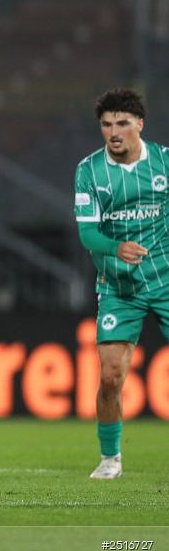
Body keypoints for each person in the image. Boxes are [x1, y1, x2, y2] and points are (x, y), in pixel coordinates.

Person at [74, 87, 169, 479]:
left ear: (139, 125)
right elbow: (88, 235)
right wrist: (116, 248)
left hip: (165, 280)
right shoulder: (89, 171)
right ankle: (110, 458)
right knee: (110, 375)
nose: (114, 132)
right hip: (118, 287)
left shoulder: (164, 163)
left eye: (122, 124)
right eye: (107, 124)